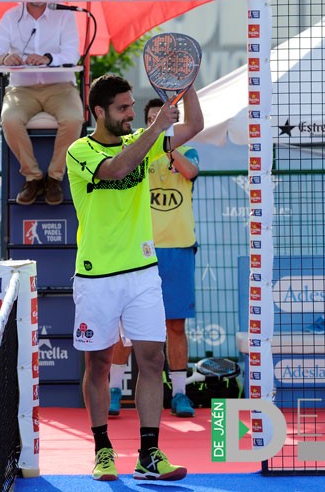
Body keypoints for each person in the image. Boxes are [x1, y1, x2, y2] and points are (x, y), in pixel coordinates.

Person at [66, 75, 203, 481]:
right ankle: (103, 449)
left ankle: (148, 453)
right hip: (96, 278)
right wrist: (156, 127)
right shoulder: (80, 151)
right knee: (99, 365)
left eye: (131, 107)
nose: (130, 114)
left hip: (143, 273)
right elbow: (117, 169)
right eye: (123, 108)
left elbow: (194, 125)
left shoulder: (139, 140)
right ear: (99, 112)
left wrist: (185, 84)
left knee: (151, 359)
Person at [108, 98, 200, 419]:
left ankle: (179, 394)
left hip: (178, 249)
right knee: (127, 327)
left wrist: (170, 148)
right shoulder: (135, 155)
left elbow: (190, 172)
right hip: (140, 250)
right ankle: (115, 390)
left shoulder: (185, 151)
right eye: (150, 119)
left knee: (175, 325)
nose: (156, 122)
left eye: (162, 118)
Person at [0, 0, 84, 206]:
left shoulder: (64, 13)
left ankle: (55, 178)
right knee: (9, 119)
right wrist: (5, 58)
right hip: (22, 89)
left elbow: (72, 54)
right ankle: (33, 177)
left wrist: (49, 59)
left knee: (73, 118)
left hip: (60, 87)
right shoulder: (10, 17)